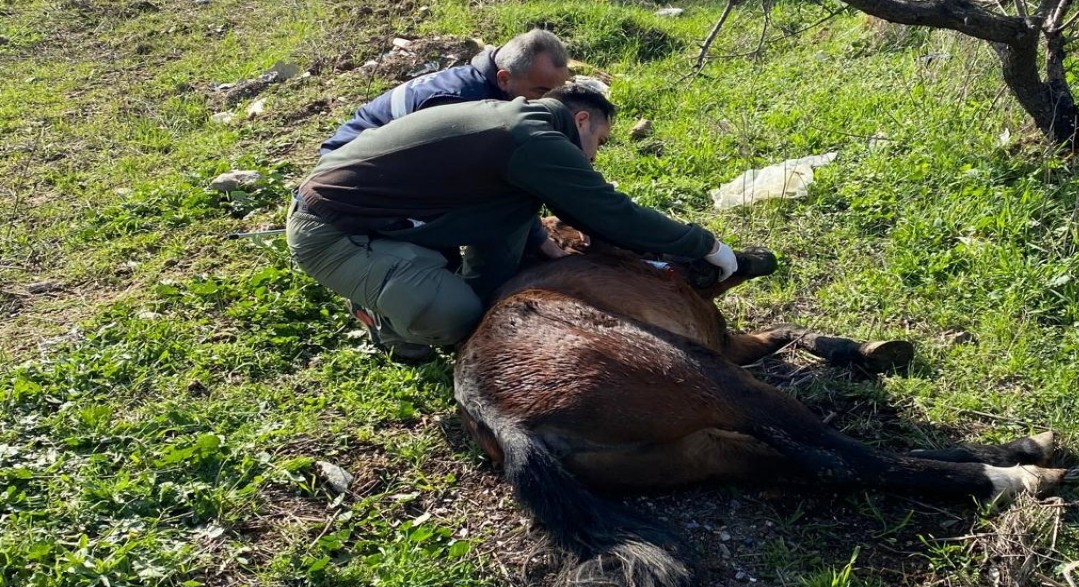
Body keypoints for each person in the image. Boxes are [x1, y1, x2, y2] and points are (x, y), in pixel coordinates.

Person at [288, 84, 740, 360]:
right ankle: (382, 319)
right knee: (456, 316)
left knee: (507, 237)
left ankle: (410, 278)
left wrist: (540, 240)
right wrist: (704, 245)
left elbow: (506, 210)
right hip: (333, 232)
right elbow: (609, 212)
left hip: (387, 218)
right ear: (580, 119)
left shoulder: (513, 123)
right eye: (598, 141)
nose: (595, 155)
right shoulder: (531, 137)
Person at [320, 29, 572, 155]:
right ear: (504, 79)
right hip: (347, 169)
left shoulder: (481, 85)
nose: (547, 101)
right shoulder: (461, 102)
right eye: (540, 91)